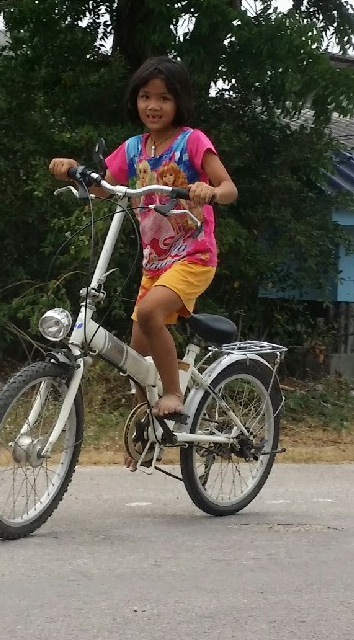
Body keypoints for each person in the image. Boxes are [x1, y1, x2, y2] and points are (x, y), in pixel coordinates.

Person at [49, 55, 238, 437]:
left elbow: (229, 189)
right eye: (145, 97)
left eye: (164, 98)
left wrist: (209, 191)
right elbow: (104, 188)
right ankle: (148, 428)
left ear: (179, 101)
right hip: (155, 263)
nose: (153, 105)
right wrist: (74, 172)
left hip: (193, 255)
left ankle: (173, 393)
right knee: (135, 357)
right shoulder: (133, 148)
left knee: (150, 314)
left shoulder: (192, 141)